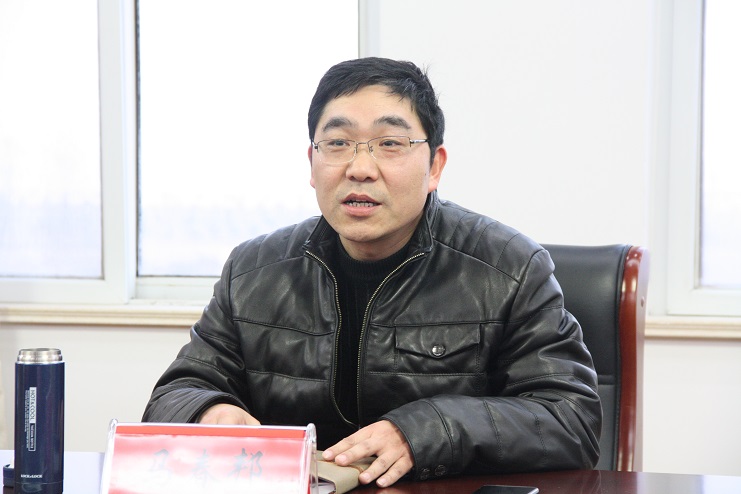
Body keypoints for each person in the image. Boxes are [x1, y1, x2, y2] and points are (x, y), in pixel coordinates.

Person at [143, 57, 601, 488]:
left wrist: (425, 431)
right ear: (312, 163)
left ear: (435, 166)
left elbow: (571, 420)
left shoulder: (509, 268)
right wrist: (209, 411)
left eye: (390, 144)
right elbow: (175, 393)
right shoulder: (253, 272)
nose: (360, 169)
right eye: (338, 143)